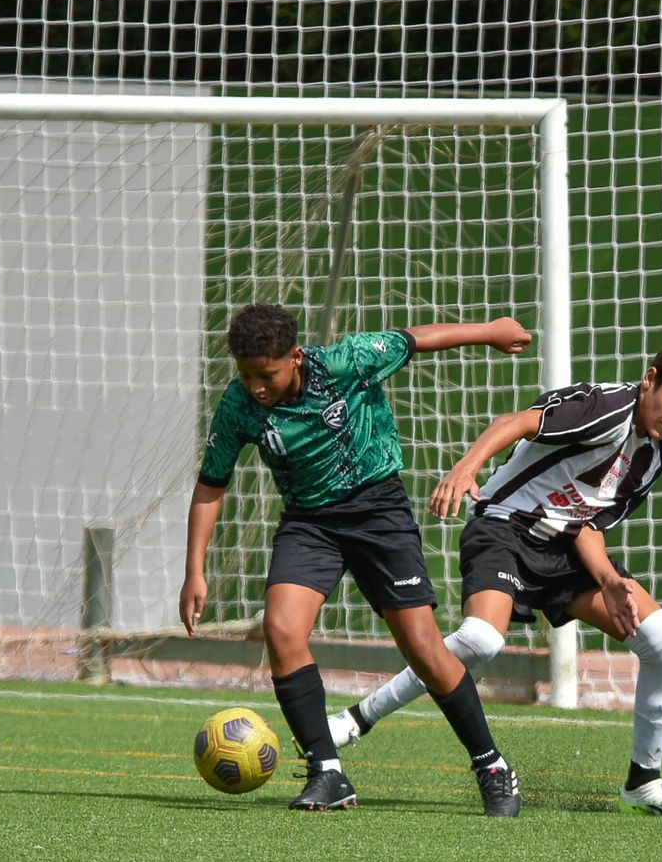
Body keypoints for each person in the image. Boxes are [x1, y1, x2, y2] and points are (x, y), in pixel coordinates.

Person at [325, 338, 662, 820]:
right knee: (480, 639)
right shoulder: (604, 407)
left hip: (564, 549)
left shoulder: (651, 458)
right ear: (650, 379)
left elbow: (587, 525)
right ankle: (356, 719)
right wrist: (466, 469)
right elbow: (515, 423)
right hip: (505, 529)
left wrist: (607, 580)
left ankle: (644, 781)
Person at [179, 304, 532, 817]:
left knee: (423, 648)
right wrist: (194, 570)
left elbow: (416, 338)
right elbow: (212, 484)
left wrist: (490, 332)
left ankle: (492, 766)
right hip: (309, 523)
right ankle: (327, 771)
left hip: (378, 511)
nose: (256, 386)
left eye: (267, 375)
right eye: (246, 374)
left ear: (295, 358)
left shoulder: (347, 361)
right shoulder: (238, 405)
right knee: (281, 630)